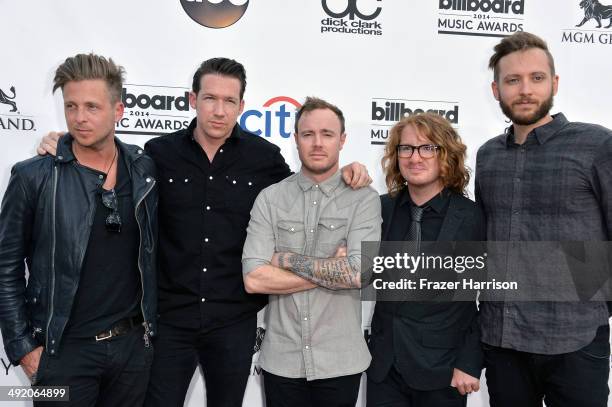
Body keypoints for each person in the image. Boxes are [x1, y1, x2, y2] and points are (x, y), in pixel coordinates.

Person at [38, 57, 372, 407]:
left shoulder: (264, 157)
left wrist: (347, 169)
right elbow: (103, 161)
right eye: (210, 98)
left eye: (229, 101)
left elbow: (305, 184)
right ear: (192, 100)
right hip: (168, 320)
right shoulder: (157, 153)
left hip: (234, 321)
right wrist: (64, 143)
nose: (219, 110)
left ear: (242, 106)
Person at [0, 53, 158, 407]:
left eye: (92, 106)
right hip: (62, 355)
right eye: (71, 106)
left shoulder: (144, 169)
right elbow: (5, 268)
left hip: (132, 351)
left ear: (118, 111)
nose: (79, 118)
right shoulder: (33, 176)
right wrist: (23, 348)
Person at [476, 31, 612, 407]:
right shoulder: (488, 156)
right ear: (496, 89)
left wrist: (595, 307)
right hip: (503, 340)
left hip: (576, 338)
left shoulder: (596, 145)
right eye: (512, 80)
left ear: (554, 84)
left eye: (536, 78)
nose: (524, 89)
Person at [241, 96, 381, 407]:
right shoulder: (270, 198)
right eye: (308, 134)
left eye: (327, 134)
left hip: (341, 361)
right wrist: (331, 268)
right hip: (281, 359)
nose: (317, 143)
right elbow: (254, 279)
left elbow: (360, 273)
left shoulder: (364, 200)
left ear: (342, 140)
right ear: (296, 139)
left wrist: (288, 261)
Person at [367, 113, 484, 407]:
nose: (414, 157)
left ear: (446, 155)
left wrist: (470, 361)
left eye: (427, 148)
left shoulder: (471, 218)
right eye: (405, 148)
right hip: (384, 367)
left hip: (443, 370)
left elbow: (492, 298)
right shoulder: (379, 209)